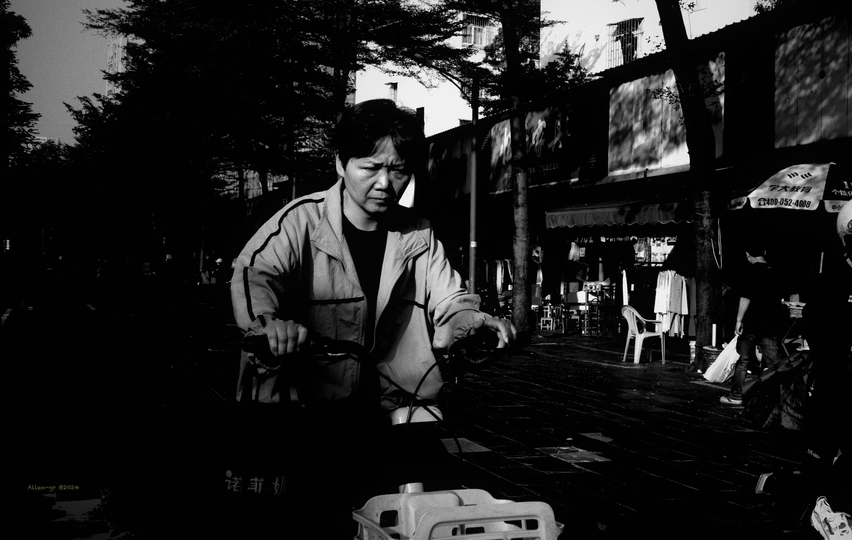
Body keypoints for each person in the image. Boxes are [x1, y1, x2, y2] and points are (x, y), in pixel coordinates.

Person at [229, 98, 516, 536]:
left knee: (418, 514)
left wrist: (472, 321)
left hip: (393, 411)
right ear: (340, 164)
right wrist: (270, 324)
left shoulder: (419, 234)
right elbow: (255, 275)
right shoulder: (298, 223)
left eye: (398, 170)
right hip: (303, 410)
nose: (385, 183)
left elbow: (450, 297)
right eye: (371, 167)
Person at [719, 238, 788, 405]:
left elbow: (745, 298)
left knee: (743, 361)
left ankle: (736, 396)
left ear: (748, 255)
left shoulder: (750, 272)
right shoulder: (775, 272)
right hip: (770, 323)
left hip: (751, 323)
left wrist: (738, 320)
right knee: (774, 362)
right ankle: (780, 397)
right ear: (764, 253)